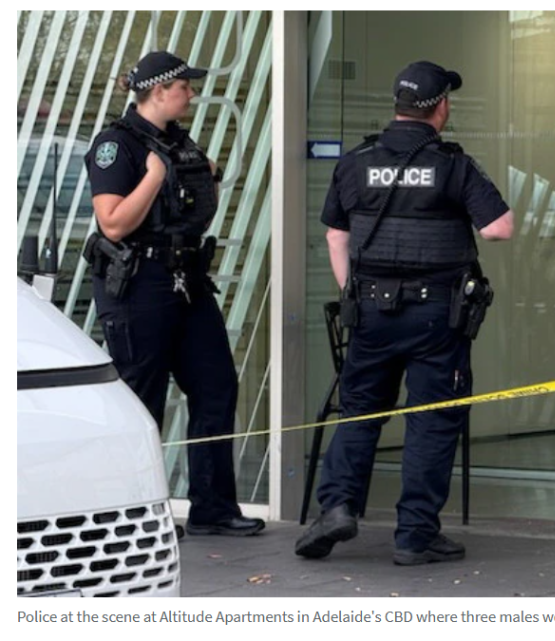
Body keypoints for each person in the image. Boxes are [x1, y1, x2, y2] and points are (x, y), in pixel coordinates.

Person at [295, 60, 514, 565]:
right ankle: (415, 535)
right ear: (441, 107)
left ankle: (337, 506)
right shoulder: (453, 165)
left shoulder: (356, 161)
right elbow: (498, 228)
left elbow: (335, 236)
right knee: (431, 419)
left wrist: (355, 293)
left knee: (360, 409)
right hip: (436, 313)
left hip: (371, 310)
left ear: (398, 105)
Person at [83, 51, 265, 536]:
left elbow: (198, 205)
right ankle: (135, 517)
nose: (192, 93)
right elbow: (113, 223)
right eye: (184, 86)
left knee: (216, 386)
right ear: (159, 90)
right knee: (142, 399)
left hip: (187, 280)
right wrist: (154, 178)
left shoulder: (178, 142)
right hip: (139, 284)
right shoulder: (116, 145)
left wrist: (204, 177)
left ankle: (213, 507)